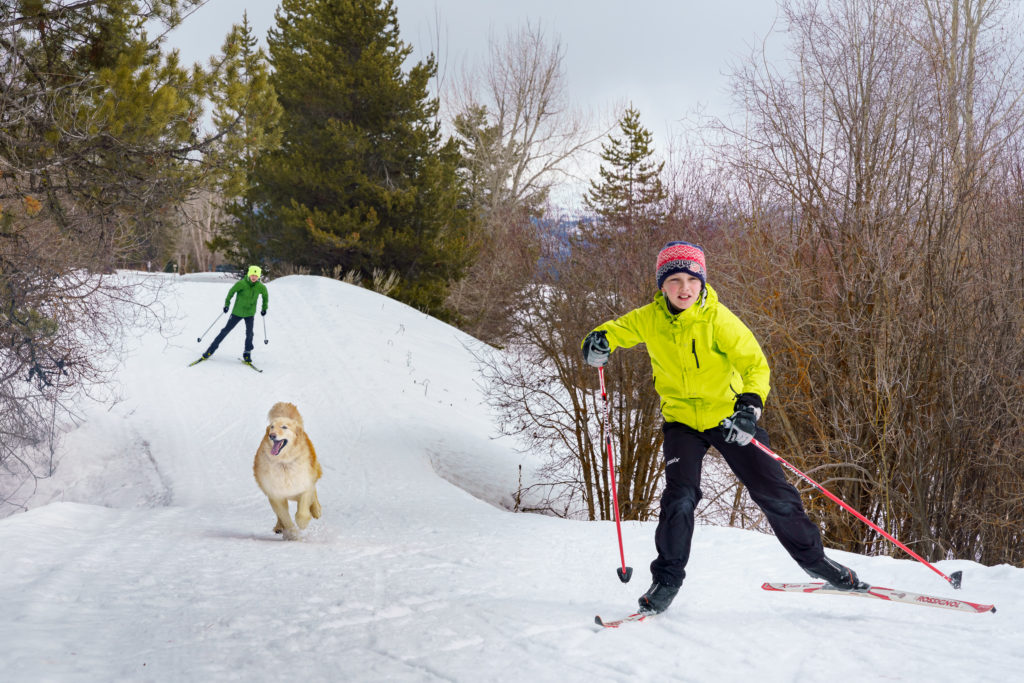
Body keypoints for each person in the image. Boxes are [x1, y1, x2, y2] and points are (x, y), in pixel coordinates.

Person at [581, 241, 865, 614]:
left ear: (702, 282)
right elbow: (611, 333)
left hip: (730, 419)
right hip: (682, 422)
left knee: (775, 494)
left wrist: (749, 409)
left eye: (692, 280)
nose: (685, 288)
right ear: (661, 285)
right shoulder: (648, 319)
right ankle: (666, 581)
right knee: (680, 498)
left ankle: (816, 561)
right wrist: (595, 343)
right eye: (675, 280)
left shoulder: (719, 319)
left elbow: (755, 365)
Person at [203, 265, 269, 363]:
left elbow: (265, 296)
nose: (254, 277)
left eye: (256, 275)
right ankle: (211, 349)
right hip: (237, 312)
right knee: (225, 331)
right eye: (252, 275)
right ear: (249, 274)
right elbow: (231, 292)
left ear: (258, 276)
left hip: (250, 313)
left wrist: (264, 308)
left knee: (250, 333)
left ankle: (247, 353)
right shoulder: (242, 283)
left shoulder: (261, 287)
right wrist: (227, 304)